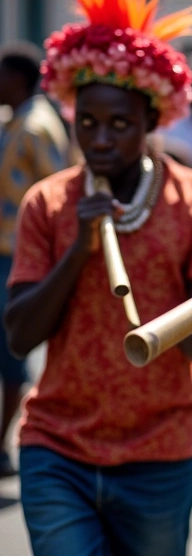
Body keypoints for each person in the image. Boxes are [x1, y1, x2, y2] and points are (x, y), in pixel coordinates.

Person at [3, 0, 192, 556]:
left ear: (150, 122)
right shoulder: (49, 204)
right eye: (87, 123)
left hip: (160, 454)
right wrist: (79, 252)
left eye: (119, 124)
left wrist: (161, 311)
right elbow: (18, 335)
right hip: (57, 448)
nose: (101, 139)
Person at [0, 41, 70, 478]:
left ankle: (6, 442)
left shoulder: (36, 127)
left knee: (12, 351)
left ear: (19, 79)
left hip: (16, 255)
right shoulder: (17, 122)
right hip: (7, 250)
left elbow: (57, 188)